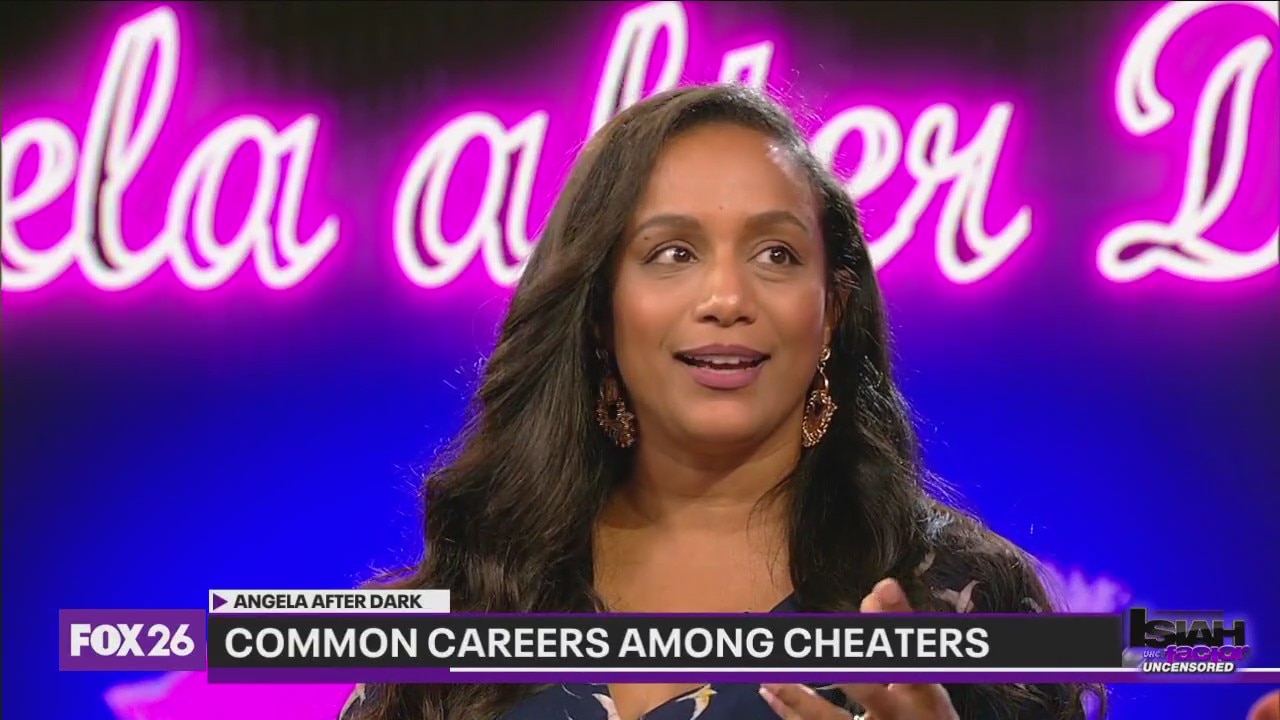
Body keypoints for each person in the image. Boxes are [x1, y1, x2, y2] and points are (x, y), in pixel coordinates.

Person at [341, 84, 1103, 720]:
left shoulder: (960, 598)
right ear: (599, 312)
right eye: (673, 253)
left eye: (777, 254)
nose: (728, 298)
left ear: (830, 311)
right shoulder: (466, 603)